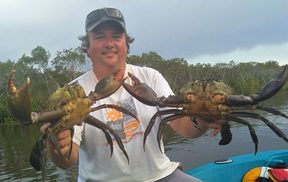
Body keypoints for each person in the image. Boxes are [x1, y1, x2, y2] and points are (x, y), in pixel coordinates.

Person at [46, 7, 221, 182]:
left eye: (116, 36)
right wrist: (57, 147)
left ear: (126, 44)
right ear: (87, 47)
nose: (109, 43)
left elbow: (183, 125)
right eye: (99, 36)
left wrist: (201, 120)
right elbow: (67, 159)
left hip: (161, 176)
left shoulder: (150, 77)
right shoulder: (74, 92)